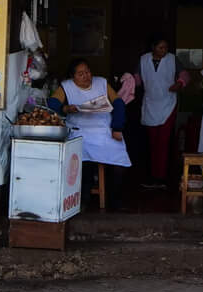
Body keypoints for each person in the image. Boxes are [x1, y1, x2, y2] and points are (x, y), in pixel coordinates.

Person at [59, 57, 130, 210]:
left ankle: (115, 200)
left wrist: (117, 127)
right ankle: (83, 199)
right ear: (73, 76)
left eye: (87, 71)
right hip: (80, 132)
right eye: (80, 74)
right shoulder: (66, 86)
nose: (86, 76)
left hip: (104, 130)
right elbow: (53, 104)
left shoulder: (102, 83)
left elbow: (118, 103)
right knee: (82, 162)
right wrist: (65, 109)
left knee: (119, 162)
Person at [136, 38, 181, 188]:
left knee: (163, 142)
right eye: (161, 47)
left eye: (166, 47)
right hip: (150, 104)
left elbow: (185, 75)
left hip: (168, 104)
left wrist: (179, 83)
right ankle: (152, 176)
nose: (164, 50)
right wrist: (129, 81)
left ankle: (161, 178)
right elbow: (137, 79)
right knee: (152, 142)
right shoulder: (143, 60)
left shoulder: (173, 59)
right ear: (153, 47)